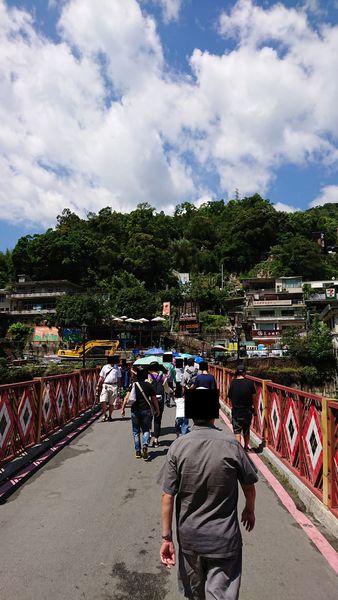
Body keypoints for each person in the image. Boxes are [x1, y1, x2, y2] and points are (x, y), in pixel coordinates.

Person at [160, 388, 258, 600]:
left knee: (195, 594)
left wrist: (167, 538)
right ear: (215, 413)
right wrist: (249, 510)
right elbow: (249, 486)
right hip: (224, 539)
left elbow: (168, 496)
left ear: (190, 414)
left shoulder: (178, 446)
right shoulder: (231, 445)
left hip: (190, 539)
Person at [121, 368, 160, 460]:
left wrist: (123, 408)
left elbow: (126, 398)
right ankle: (145, 444)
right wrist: (157, 409)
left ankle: (138, 451)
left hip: (135, 410)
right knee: (146, 430)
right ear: (145, 376)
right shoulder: (149, 386)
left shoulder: (133, 385)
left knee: (136, 432)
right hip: (146, 410)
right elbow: (154, 399)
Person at [227, 365, 256, 452]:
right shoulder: (250, 383)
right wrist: (254, 408)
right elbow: (254, 397)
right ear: (244, 372)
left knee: (237, 430)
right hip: (247, 410)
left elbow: (230, 396)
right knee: (246, 430)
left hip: (236, 410)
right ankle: (246, 447)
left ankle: (239, 449)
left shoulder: (233, 382)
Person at [147, 361, 171, 447]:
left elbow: (147, 387)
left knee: (148, 417)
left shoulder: (149, 376)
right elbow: (167, 389)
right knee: (158, 419)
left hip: (150, 400)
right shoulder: (163, 377)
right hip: (160, 399)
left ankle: (148, 434)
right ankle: (156, 439)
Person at [96, 355, 122, 422]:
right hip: (105, 385)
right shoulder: (105, 367)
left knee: (112, 403)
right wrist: (98, 385)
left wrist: (119, 388)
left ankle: (110, 416)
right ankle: (104, 414)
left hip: (114, 386)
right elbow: (101, 377)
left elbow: (119, 379)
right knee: (103, 400)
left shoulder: (117, 368)